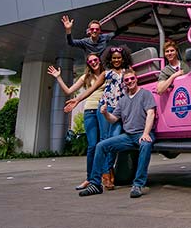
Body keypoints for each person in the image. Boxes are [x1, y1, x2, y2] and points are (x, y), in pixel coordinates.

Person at [78, 69, 156, 199]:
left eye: (132, 79)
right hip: (128, 136)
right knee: (101, 146)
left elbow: (151, 113)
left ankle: (138, 184)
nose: (130, 81)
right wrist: (105, 113)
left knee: (146, 144)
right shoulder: (123, 100)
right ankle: (95, 184)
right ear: (124, 82)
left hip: (142, 134)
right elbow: (114, 119)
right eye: (127, 80)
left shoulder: (145, 94)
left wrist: (146, 133)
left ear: (136, 79)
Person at [65, 45, 134, 190]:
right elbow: (91, 89)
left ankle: (107, 169)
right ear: (110, 59)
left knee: (114, 141)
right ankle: (106, 174)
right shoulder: (106, 73)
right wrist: (77, 100)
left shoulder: (128, 71)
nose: (116, 60)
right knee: (104, 141)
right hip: (105, 108)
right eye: (114, 58)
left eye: (119, 58)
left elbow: (134, 88)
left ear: (123, 59)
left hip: (120, 110)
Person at [47, 54, 106, 190]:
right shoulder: (85, 77)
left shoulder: (106, 74)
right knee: (92, 146)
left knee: (104, 143)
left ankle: (105, 176)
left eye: (95, 60)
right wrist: (58, 77)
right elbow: (69, 91)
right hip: (90, 111)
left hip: (104, 111)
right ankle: (90, 178)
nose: (93, 62)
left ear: (99, 60)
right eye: (90, 61)